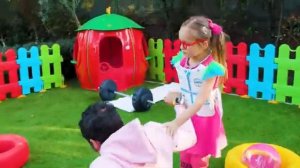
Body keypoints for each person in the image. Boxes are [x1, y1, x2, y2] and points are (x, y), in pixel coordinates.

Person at [164, 16, 228, 168]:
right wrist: (177, 97)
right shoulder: (183, 60)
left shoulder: (210, 69)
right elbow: (186, 88)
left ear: (204, 44)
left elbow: (199, 102)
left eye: (186, 44)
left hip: (203, 120)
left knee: (198, 158)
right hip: (187, 115)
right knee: (185, 153)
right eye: (181, 43)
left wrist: (176, 123)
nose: (181, 48)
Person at [78, 102, 197, 168]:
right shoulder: (154, 131)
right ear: (122, 123)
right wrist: (179, 103)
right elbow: (189, 137)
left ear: (94, 143)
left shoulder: (100, 165)